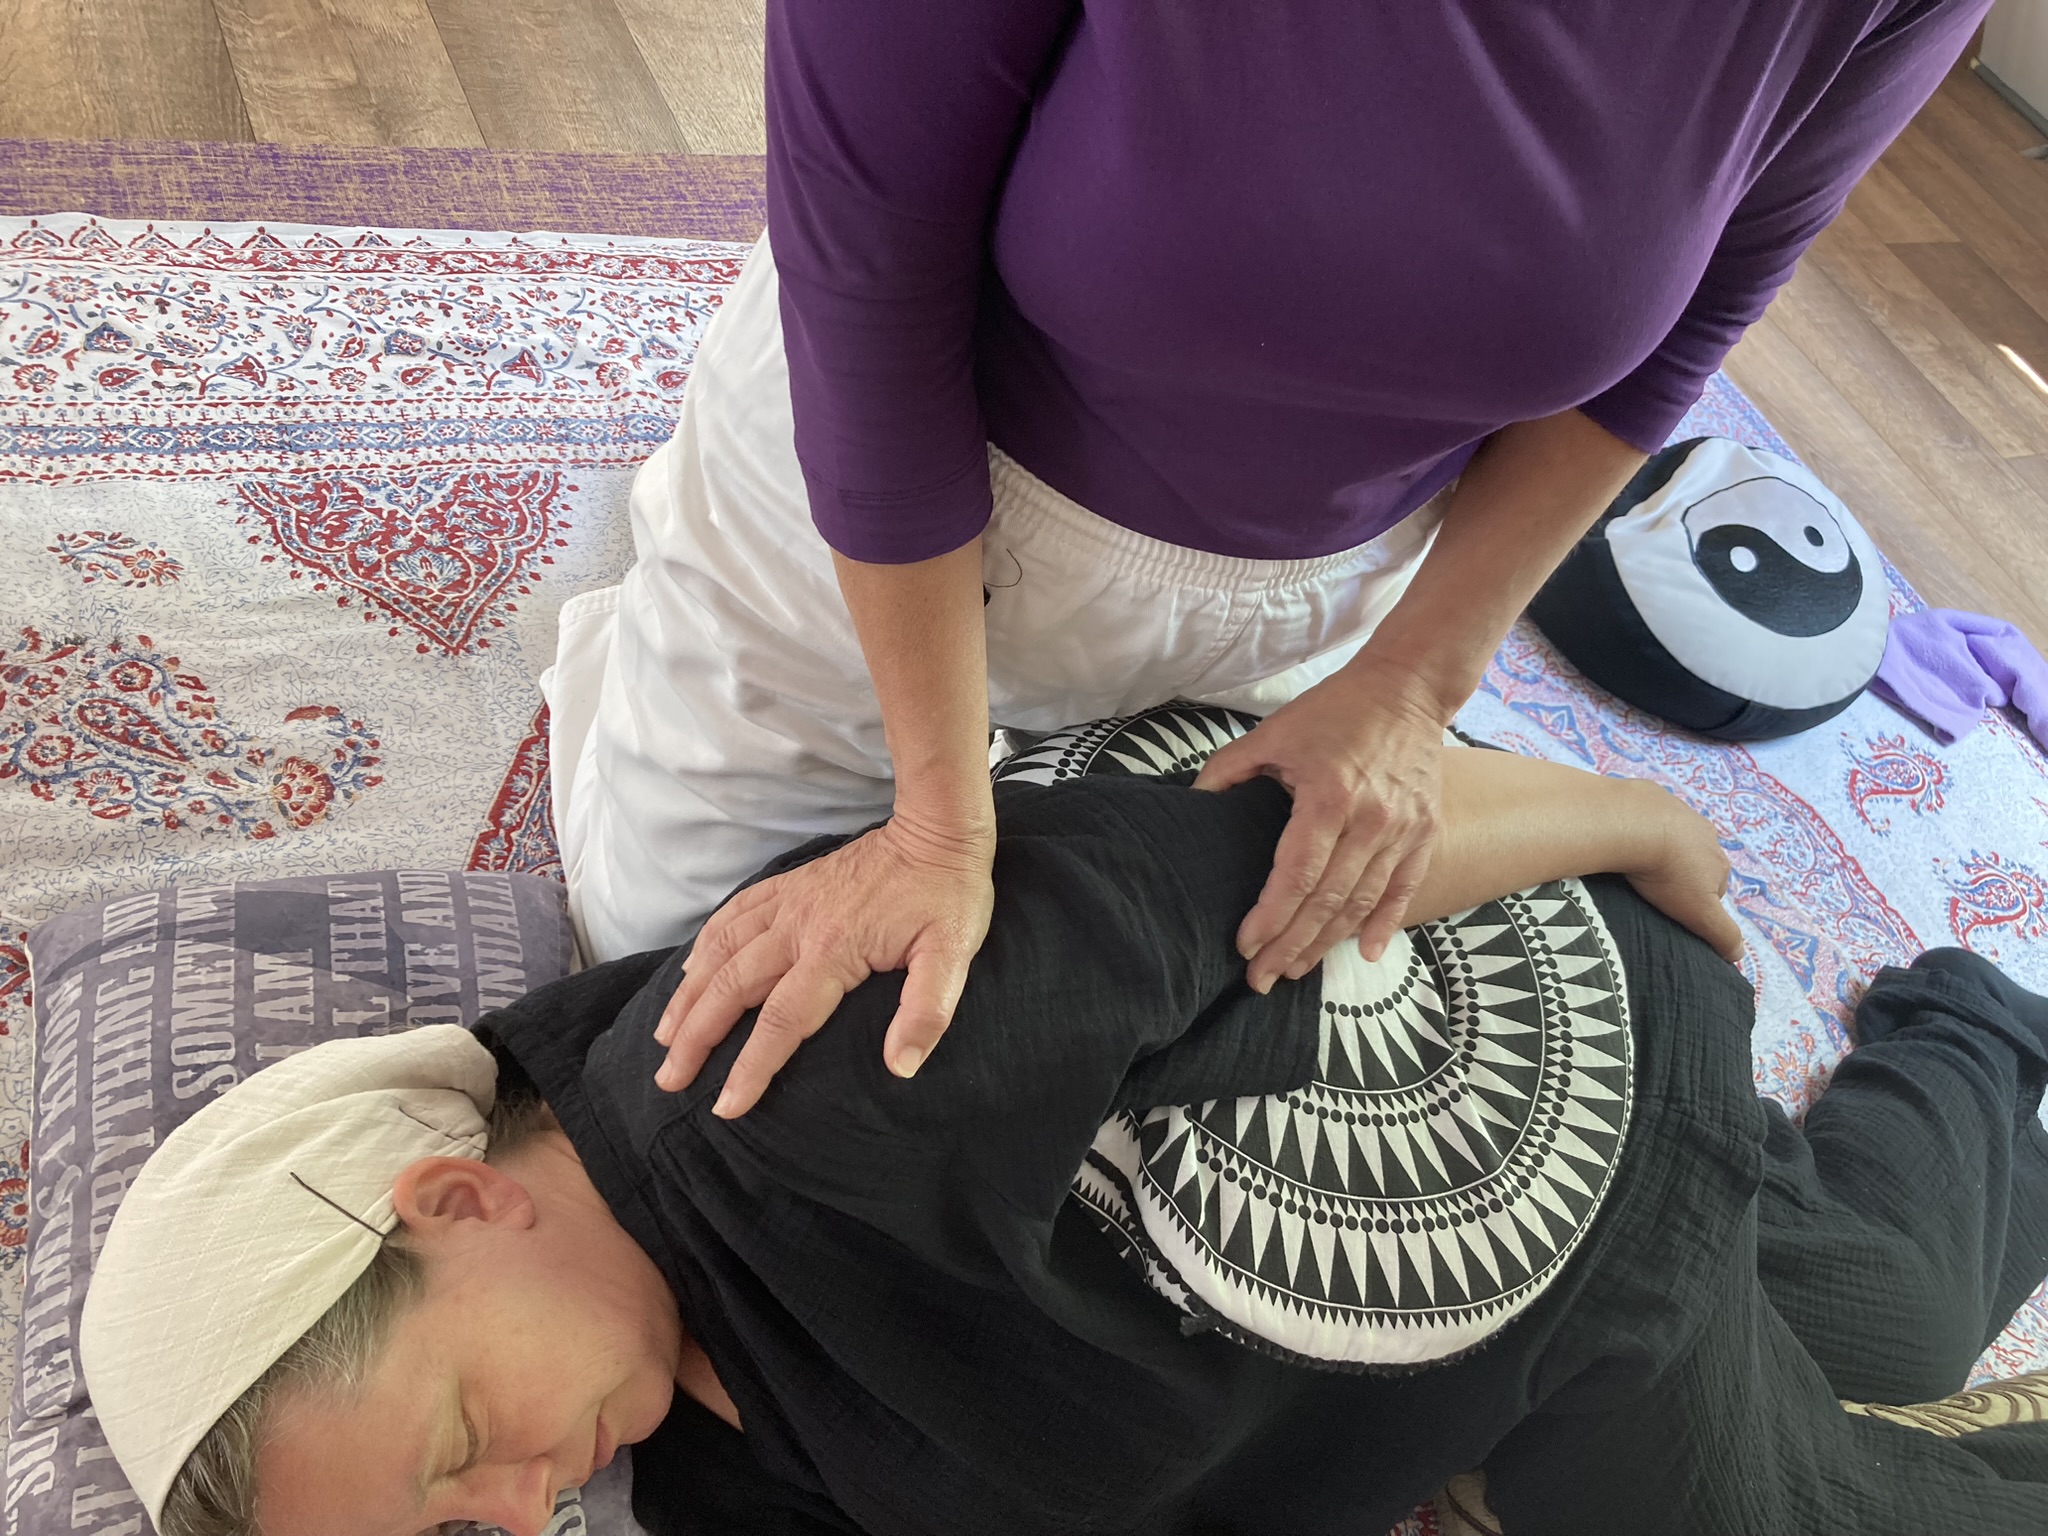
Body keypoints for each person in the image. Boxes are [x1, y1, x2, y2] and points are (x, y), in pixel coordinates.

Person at [547, 0, 1996, 1117]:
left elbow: (1692, 320)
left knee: (1146, 1047)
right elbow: (870, 276)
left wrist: (1414, 688)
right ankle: (672, 615)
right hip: (902, 479)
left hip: (1334, 578)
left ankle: (1626, 812)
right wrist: (937, 822)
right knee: (662, 1020)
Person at [83, 749, 2048, 1536]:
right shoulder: (671, 1418)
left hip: (1541, 1122)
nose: (526, 1516)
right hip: (1398, 1297)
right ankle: (1978, 1019)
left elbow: (1273, 847)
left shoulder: (808, 1074)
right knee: (1883, 1318)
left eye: (459, 1448)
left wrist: (1652, 829)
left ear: (452, 1199)